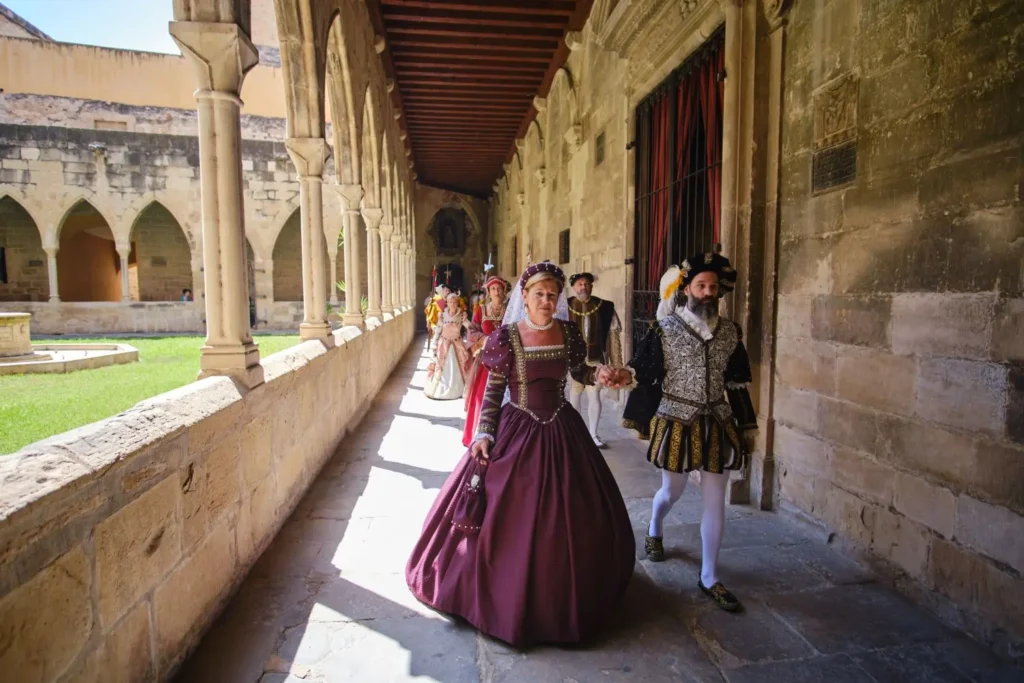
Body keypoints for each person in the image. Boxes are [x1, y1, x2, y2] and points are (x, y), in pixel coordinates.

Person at [406, 261, 635, 648]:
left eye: (552, 294)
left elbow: (578, 371)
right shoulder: (508, 337)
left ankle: (565, 594)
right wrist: (484, 431)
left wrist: (600, 375)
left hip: (562, 426)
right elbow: (495, 391)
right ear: (524, 298)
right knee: (506, 512)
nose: (546, 301)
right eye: (538, 294)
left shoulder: (568, 332)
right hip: (518, 427)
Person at [611, 252, 757, 613]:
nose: (707, 292)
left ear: (720, 291)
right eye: (700, 285)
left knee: (714, 499)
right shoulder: (665, 329)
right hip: (676, 420)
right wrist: (621, 377)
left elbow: (737, 384)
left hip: (718, 423)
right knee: (671, 490)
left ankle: (709, 576)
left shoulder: (731, 332)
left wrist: (747, 425)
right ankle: (655, 526)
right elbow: (641, 372)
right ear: (687, 288)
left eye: (713, 287)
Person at [567, 272, 623, 448]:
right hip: (573, 361)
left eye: (586, 284)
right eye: (580, 284)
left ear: (591, 286)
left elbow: (613, 335)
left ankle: (593, 434)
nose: (583, 287)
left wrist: (615, 363)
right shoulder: (565, 306)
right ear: (574, 287)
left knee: (594, 396)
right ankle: (575, 434)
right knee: (574, 397)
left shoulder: (603, 307)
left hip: (594, 360)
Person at [461, 276, 509, 447]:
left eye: (499, 289)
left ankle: (503, 435)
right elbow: (472, 331)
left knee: (505, 397)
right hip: (486, 360)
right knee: (482, 396)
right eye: (493, 289)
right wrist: (486, 339)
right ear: (488, 292)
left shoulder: (510, 309)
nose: (497, 292)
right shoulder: (481, 310)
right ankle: (479, 434)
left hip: (506, 360)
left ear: (504, 291)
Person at [424, 292, 471, 400]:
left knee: (460, 366)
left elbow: (470, 327)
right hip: (444, 345)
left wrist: (474, 336)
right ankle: (439, 389)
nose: (453, 304)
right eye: (450, 302)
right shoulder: (442, 315)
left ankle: (458, 389)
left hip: (457, 345)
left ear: (458, 303)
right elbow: (438, 331)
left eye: (455, 302)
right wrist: (434, 345)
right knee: (441, 368)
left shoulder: (461, 316)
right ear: (447, 303)